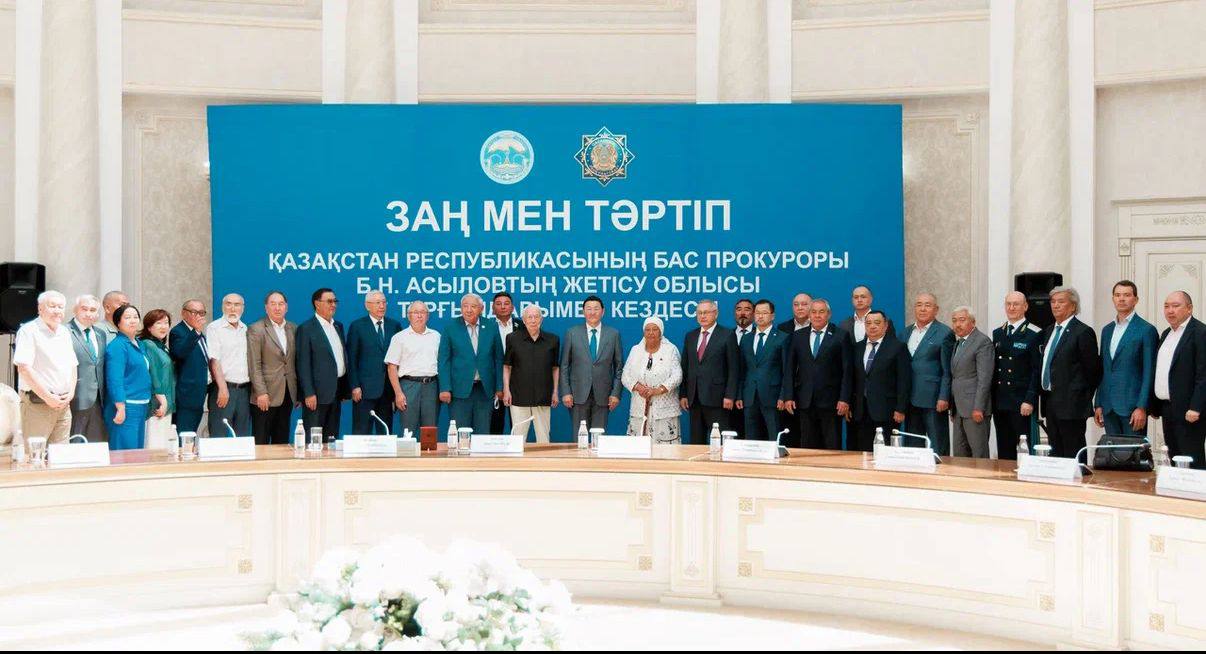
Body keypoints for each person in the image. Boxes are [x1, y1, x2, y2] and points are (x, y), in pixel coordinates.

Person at [1035, 286, 1102, 459]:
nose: (1055, 305)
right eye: (1053, 302)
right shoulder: (1049, 331)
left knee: (1073, 453)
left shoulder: (1083, 332)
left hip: (1072, 405)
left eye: (1061, 301)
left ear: (1073, 306)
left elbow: (1093, 371)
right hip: (1051, 402)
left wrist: (1079, 396)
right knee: (1056, 453)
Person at [782, 299, 851, 450]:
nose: (817, 315)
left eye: (821, 312)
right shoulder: (798, 336)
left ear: (829, 314)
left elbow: (847, 371)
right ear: (809, 314)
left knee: (832, 445)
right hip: (805, 400)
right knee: (808, 445)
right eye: (813, 312)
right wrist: (788, 396)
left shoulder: (840, 336)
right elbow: (790, 369)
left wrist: (844, 398)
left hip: (832, 402)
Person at [1094, 280, 1158, 437]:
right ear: (1113, 299)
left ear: (1136, 300)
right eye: (1117, 295)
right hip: (1108, 406)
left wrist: (1142, 406)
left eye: (1127, 295)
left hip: (1132, 407)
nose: (1121, 299)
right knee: (1112, 451)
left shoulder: (1146, 330)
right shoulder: (1107, 330)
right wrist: (1098, 403)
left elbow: (1149, 372)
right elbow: (1104, 369)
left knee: (1133, 451)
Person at [12, 290, 77, 445]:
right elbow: (24, 368)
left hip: (63, 404)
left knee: (61, 454)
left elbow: (73, 365)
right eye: (52, 306)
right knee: (34, 453)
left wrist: (71, 394)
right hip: (38, 404)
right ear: (40, 308)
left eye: (60, 307)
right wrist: (48, 397)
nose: (57, 310)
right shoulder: (29, 331)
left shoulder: (64, 332)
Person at [1151, 291, 1206, 468]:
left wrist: (1196, 407)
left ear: (1189, 308)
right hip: (1168, 407)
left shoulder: (1200, 332)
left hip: (1189, 410)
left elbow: (1203, 374)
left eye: (1176, 306)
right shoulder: (1166, 333)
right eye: (1166, 306)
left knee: (1191, 458)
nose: (1170, 310)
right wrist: (1154, 405)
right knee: (1174, 456)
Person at [438, 293, 503, 434]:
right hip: (459, 390)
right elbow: (444, 360)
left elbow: (498, 359)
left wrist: (499, 387)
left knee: (482, 433)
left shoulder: (491, 326)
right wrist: (445, 388)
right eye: (465, 306)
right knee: (461, 433)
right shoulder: (450, 328)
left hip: (485, 390)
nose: (468, 310)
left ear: (481, 308)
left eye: (473, 306)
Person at [559, 295, 623, 433]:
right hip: (577, 395)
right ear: (583, 312)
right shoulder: (572, 333)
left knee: (599, 439)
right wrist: (566, 392)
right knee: (579, 438)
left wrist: (616, 393)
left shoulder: (613, 334)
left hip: (603, 396)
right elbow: (564, 366)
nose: (592, 312)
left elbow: (619, 368)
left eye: (596, 309)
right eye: (589, 309)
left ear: (603, 311)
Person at [850, 310, 911, 451]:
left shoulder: (897, 347)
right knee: (862, 451)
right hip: (861, 410)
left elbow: (904, 380)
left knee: (886, 451)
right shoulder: (857, 348)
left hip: (887, 411)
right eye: (868, 323)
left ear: (886, 325)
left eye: (877, 323)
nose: (872, 326)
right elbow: (852, 378)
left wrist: (900, 408)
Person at [992, 292, 1043, 460]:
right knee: (1004, 449)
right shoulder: (998, 333)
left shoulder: (1034, 333)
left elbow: (1036, 370)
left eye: (1016, 304)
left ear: (1025, 306)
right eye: (1008, 304)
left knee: (1025, 449)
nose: (1011, 308)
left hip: (1021, 401)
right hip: (1001, 401)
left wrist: (1030, 399)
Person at [296, 288, 350, 443]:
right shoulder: (306, 329)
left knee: (331, 438)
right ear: (317, 304)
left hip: (336, 392)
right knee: (314, 440)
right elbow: (303, 364)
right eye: (329, 301)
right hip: (316, 395)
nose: (333, 305)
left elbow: (340, 358)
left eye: (335, 301)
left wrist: (344, 389)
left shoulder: (338, 326)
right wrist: (308, 393)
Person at [680, 299, 738, 443]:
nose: (702, 316)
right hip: (694, 398)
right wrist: (683, 394)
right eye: (699, 313)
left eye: (706, 312)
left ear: (716, 313)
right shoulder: (690, 336)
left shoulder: (727, 334)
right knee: (696, 441)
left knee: (721, 441)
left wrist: (730, 395)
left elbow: (734, 368)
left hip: (718, 398)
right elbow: (685, 367)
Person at [902, 293, 954, 454]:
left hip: (933, 399)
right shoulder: (905, 332)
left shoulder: (945, 332)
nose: (922, 309)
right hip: (909, 398)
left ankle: (942, 470)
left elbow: (948, 370)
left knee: (938, 445)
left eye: (927, 305)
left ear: (936, 309)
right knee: (912, 445)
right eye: (919, 305)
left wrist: (944, 397)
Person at [503, 305, 560, 443]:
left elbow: (555, 368)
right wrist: (506, 390)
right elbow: (507, 367)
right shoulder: (512, 338)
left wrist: (555, 392)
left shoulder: (553, 340)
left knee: (544, 439)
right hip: (518, 396)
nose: (533, 320)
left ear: (542, 319)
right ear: (523, 320)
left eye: (536, 317)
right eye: (529, 317)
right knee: (518, 440)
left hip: (543, 396)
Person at [247, 291, 299, 444]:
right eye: (273, 304)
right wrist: (261, 392)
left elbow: (294, 362)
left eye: (281, 304)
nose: (277, 308)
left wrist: (297, 392)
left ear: (286, 307)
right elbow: (254, 365)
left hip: (288, 394)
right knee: (261, 441)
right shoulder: (256, 329)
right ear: (266, 307)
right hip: (265, 396)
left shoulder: (293, 328)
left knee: (282, 441)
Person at [347, 290, 401, 434]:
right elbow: (351, 359)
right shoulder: (357, 326)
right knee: (361, 433)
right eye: (377, 303)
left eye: (384, 302)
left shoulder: (394, 326)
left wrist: (397, 391)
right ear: (367, 305)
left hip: (387, 391)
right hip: (364, 391)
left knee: (385, 433)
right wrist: (355, 386)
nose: (382, 306)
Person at [622, 316, 683, 442]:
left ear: (661, 332)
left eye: (655, 329)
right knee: (638, 447)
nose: (651, 333)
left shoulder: (670, 350)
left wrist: (658, 390)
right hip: (639, 407)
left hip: (664, 409)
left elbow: (677, 375)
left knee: (665, 449)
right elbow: (625, 375)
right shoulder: (635, 350)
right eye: (647, 329)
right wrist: (638, 387)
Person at [386, 301, 441, 437]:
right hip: (408, 386)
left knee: (429, 430)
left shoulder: (436, 336)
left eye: (423, 312)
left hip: (432, 386)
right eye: (415, 312)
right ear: (408, 315)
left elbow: (443, 364)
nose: (419, 316)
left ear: (428, 316)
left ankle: (428, 450)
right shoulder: (399, 337)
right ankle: (407, 452)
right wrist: (398, 393)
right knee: (408, 430)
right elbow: (392, 367)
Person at [103, 304, 152, 450]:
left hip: (141, 404)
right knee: (124, 451)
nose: (132, 320)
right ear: (118, 322)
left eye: (135, 317)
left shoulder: (139, 344)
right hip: (126, 405)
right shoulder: (117, 346)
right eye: (127, 317)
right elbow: (114, 379)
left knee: (136, 450)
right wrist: (120, 407)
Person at [737, 299, 787, 441]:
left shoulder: (782, 338)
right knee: (750, 437)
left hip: (772, 396)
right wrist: (739, 395)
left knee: (774, 436)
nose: (760, 316)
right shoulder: (746, 339)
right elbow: (742, 370)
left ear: (772, 316)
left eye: (764, 313)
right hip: (749, 395)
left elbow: (786, 371)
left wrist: (783, 395)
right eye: (757, 313)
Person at [948, 306, 994, 458]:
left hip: (975, 408)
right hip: (959, 409)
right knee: (960, 453)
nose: (957, 324)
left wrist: (979, 407)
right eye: (954, 321)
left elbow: (984, 378)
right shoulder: (959, 343)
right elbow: (957, 377)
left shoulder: (982, 342)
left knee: (978, 454)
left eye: (962, 320)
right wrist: (953, 408)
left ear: (973, 322)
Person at [206, 293, 252, 437]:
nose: (232, 308)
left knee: (242, 436)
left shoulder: (246, 329)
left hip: (245, 391)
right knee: (218, 435)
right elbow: (214, 360)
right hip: (223, 389)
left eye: (237, 305)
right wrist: (223, 388)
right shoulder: (214, 328)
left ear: (243, 308)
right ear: (223, 307)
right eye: (228, 304)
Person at [66, 294, 108, 442]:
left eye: (93, 310)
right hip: (75, 398)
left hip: (99, 399)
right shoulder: (64, 332)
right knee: (74, 443)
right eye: (84, 309)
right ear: (75, 310)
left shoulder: (100, 334)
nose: (89, 314)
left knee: (95, 445)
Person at [169, 299, 211, 433]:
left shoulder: (199, 333)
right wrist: (196, 331)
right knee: (184, 434)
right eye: (194, 312)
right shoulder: (178, 331)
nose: (198, 316)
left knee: (192, 434)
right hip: (186, 395)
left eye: (202, 313)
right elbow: (180, 352)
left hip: (200, 392)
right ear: (183, 313)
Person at [140, 309, 176, 448]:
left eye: (166, 323)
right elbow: (153, 374)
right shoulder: (148, 344)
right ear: (149, 327)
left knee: (163, 446)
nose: (163, 327)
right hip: (157, 404)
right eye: (158, 323)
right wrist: (162, 401)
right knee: (155, 446)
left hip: (166, 401)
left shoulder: (161, 346)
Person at [491, 292, 518, 434]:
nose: (502, 307)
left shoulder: (522, 326)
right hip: (493, 381)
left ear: (512, 307)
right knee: (495, 424)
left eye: (506, 303)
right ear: (492, 308)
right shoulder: (486, 326)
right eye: (498, 304)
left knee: (518, 425)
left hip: (518, 380)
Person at [731, 298, 755, 433]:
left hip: (754, 395)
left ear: (754, 313)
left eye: (747, 309)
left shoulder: (761, 335)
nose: (742, 313)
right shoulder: (726, 335)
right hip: (730, 397)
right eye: (739, 309)